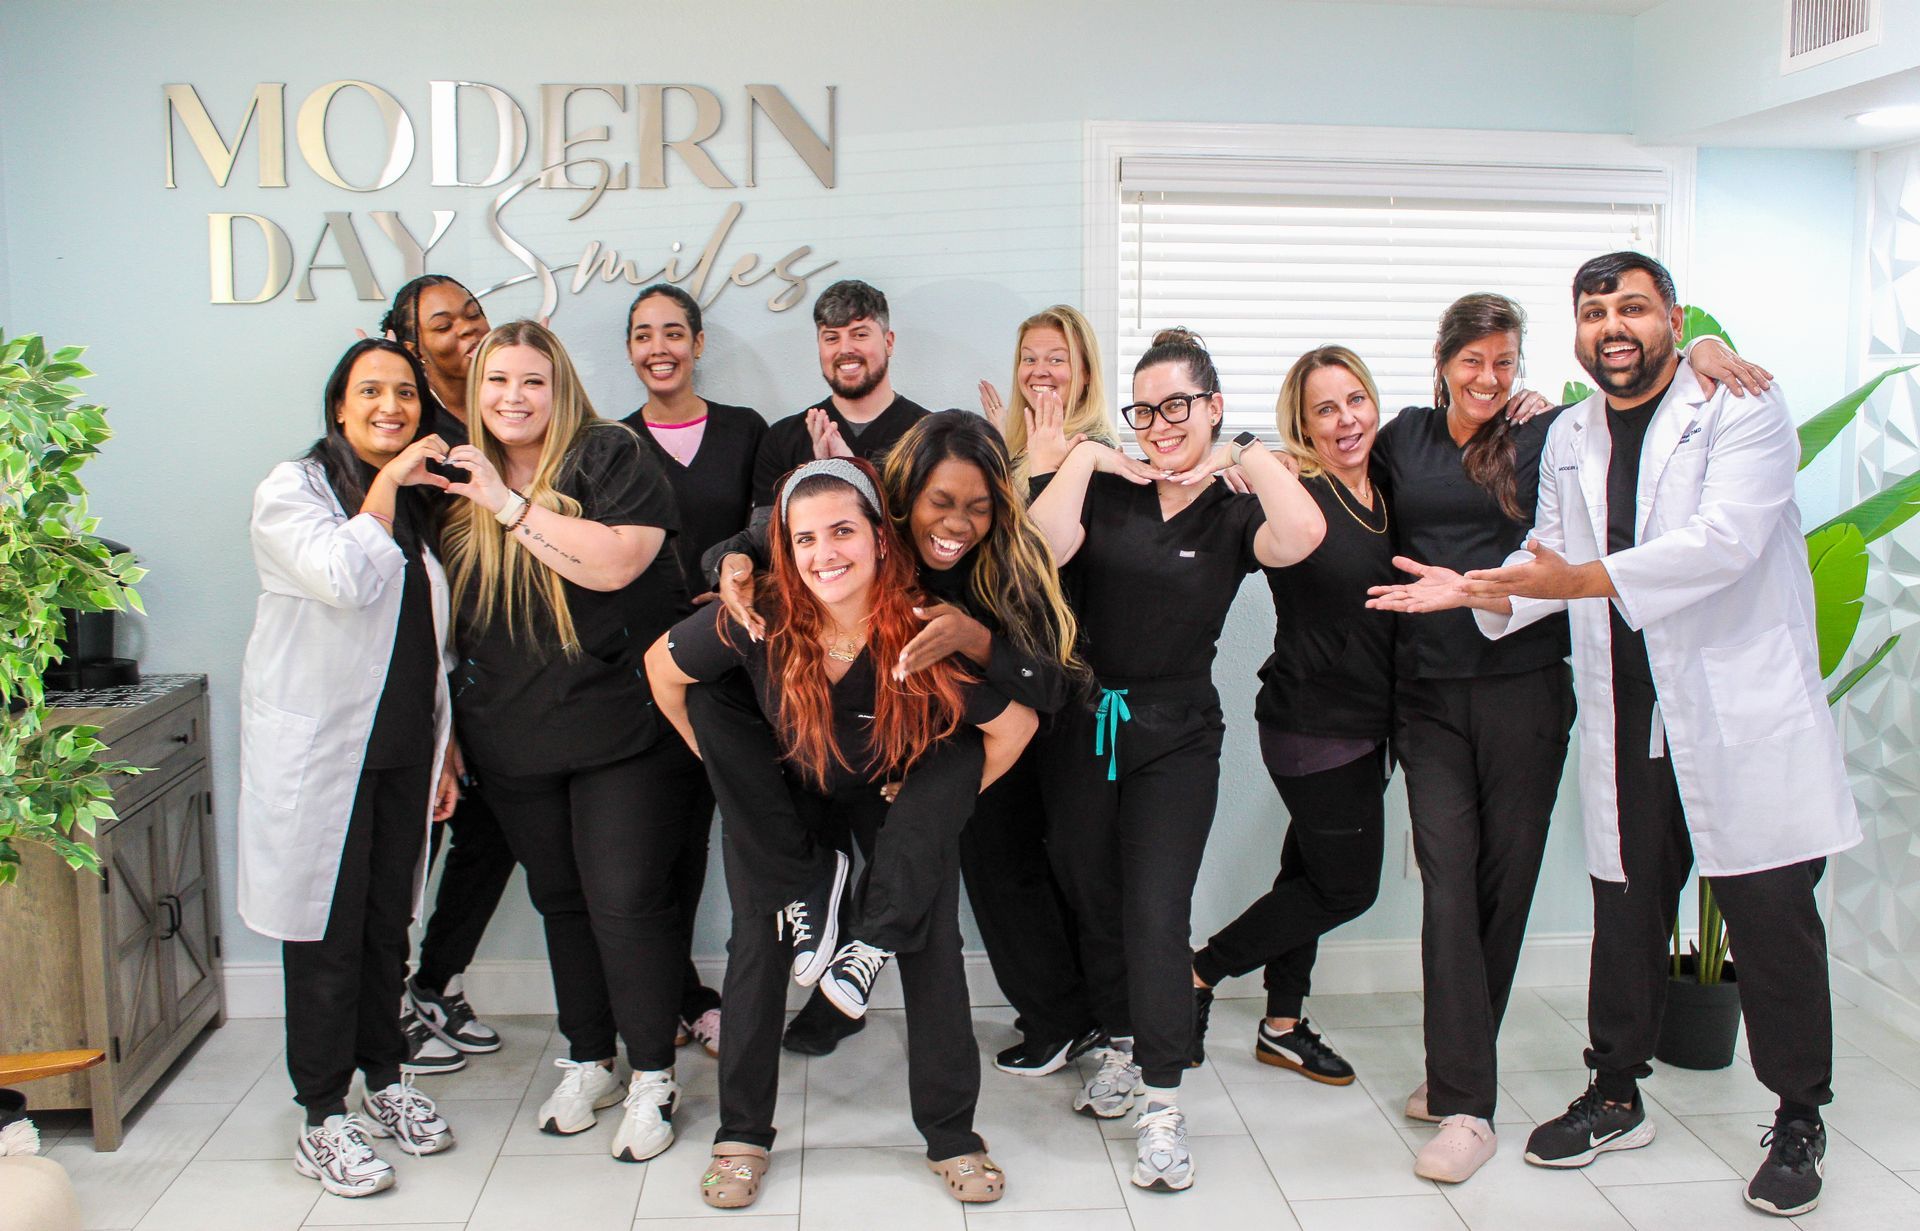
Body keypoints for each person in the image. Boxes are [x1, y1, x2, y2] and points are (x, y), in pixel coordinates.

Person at [1371, 251, 1855, 1219]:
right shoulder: (1571, 434)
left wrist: (1572, 582)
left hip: (1734, 714)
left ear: (1672, 317)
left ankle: (1798, 1114)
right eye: (1595, 313)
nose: (1613, 327)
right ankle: (1615, 1088)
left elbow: (1724, 541)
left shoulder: (1741, 406)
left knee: (1769, 918)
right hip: (1629, 713)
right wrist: (1474, 588)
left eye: (1632, 307)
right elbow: (1546, 549)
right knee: (1626, 908)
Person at [645, 458, 1038, 1209]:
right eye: (804, 539)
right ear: (783, 551)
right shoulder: (755, 611)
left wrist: (947, 798)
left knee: (929, 935)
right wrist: (729, 775)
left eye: (843, 532)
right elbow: (661, 672)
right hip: (785, 796)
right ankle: (742, 1136)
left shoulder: (922, 624)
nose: (825, 553)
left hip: (887, 786)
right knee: (758, 941)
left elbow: (1013, 724)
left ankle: (953, 1133)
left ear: (881, 540)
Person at [1026, 328, 1327, 1192]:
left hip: (1179, 730)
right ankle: (1120, 1043)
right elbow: (1041, 548)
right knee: (1090, 887)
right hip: (1086, 719)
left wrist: (1239, 456)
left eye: (1178, 406)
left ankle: (1162, 1098)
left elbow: (1302, 532)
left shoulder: (1235, 510)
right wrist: (1087, 455)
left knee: (1157, 909)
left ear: (1213, 405)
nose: (1160, 424)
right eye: (1145, 408)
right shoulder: (1110, 488)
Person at [717, 409, 1104, 1073]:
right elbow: (763, 535)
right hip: (850, 735)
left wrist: (974, 637)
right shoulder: (866, 525)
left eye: (978, 508)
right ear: (901, 503)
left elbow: (1057, 684)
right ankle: (831, 1002)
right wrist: (730, 561)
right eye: (941, 503)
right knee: (820, 868)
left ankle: (1063, 1021)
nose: (957, 525)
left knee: (990, 876)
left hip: (975, 736)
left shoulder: (1011, 560)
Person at [436, 319, 707, 1164]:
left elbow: (616, 564)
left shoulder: (610, 456)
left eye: (531, 381)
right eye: (496, 382)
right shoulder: (450, 476)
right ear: (475, 393)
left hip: (620, 728)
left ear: (560, 391)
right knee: (562, 902)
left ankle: (653, 1074)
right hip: (511, 735)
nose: (512, 398)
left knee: (625, 899)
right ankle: (589, 1056)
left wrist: (507, 503)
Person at [239, 338, 462, 1197]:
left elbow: (424, 648)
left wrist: (442, 753)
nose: (391, 405)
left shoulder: (414, 509)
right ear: (339, 405)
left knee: (382, 932)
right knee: (326, 939)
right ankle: (322, 1116)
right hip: (321, 760)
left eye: (405, 392)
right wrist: (389, 480)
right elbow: (342, 577)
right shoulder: (291, 491)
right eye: (370, 391)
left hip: (402, 751)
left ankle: (385, 1079)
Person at [703, 277, 931, 1055]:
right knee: (806, 852)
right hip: (802, 676)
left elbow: (924, 548)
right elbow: (765, 541)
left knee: (902, 846)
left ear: (888, 341)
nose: (847, 348)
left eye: (861, 333)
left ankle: (840, 999)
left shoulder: (926, 431)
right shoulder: (782, 436)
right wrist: (735, 562)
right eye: (832, 337)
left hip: (897, 673)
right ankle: (811, 994)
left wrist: (854, 468)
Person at [1186, 347, 1398, 1083]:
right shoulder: (1297, 489)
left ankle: (1282, 1023)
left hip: (1371, 722)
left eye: (1355, 400)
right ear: (1300, 425)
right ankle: (1200, 971)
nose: (1346, 420)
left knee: (1306, 873)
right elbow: (1226, 497)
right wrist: (1243, 455)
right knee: (1346, 885)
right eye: (1324, 409)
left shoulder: (1388, 482)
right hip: (1313, 721)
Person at [617, 281, 767, 1056]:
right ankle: (672, 995)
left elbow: (768, 536)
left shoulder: (746, 432)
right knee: (652, 849)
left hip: (731, 669)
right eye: (643, 335)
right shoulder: (609, 442)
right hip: (641, 673)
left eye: (674, 332)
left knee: (729, 841)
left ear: (699, 344)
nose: (659, 348)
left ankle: (728, 996)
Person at [378, 274, 508, 1068]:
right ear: (407, 340)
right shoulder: (406, 433)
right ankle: (384, 1003)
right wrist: (443, 721)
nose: (464, 329)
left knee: (495, 833)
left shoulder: (504, 410)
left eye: (472, 313)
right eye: (442, 322)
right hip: (427, 673)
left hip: (500, 670)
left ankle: (435, 982)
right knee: (409, 841)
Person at [978, 304, 1119, 479]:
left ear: (1088, 372)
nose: (1039, 371)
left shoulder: (1092, 451)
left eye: (1056, 360)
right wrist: (1004, 445)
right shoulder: (1024, 442)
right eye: (1030, 359)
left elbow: (1037, 506)